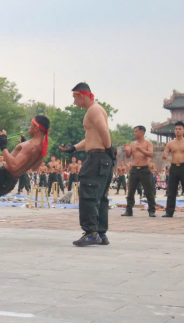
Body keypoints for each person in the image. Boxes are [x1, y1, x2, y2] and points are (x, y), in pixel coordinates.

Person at [60, 83, 114, 247]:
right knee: (100, 197)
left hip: (97, 156)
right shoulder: (95, 110)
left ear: (81, 95)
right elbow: (92, 137)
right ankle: (101, 233)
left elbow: (104, 130)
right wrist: (74, 148)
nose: (74, 101)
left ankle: (91, 232)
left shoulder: (93, 110)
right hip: (101, 156)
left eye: (74, 98)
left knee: (88, 195)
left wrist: (109, 148)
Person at [161, 122, 184, 218]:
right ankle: (169, 212)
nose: (177, 130)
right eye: (176, 129)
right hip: (173, 167)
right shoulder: (170, 143)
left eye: (180, 129)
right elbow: (165, 154)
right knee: (171, 190)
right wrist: (164, 156)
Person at [121, 126, 157, 217]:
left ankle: (151, 210)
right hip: (134, 169)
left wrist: (141, 150)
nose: (135, 133)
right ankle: (129, 210)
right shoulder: (133, 143)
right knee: (131, 191)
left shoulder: (148, 143)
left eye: (136, 131)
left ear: (142, 132)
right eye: (134, 131)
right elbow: (128, 156)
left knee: (148, 190)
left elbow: (151, 154)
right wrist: (127, 150)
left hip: (144, 168)